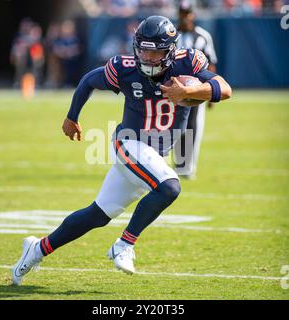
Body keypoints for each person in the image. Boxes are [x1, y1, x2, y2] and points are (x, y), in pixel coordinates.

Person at [12, 16, 231, 285]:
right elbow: (88, 81)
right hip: (129, 144)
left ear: (171, 51)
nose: (149, 58)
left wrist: (196, 89)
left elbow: (225, 88)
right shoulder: (124, 68)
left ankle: (36, 249)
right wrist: (72, 117)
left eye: (156, 52)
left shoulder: (189, 64)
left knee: (98, 214)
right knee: (170, 186)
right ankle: (125, 244)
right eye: (144, 50)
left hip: (152, 155)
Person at [174, 1, 218, 179]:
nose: (185, 17)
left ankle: (188, 166)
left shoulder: (203, 36)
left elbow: (211, 63)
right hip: (175, 89)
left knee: (193, 127)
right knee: (176, 127)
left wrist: (211, 92)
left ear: (193, 15)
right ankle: (178, 164)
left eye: (188, 13)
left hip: (197, 90)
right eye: (182, 13)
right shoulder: (171, 35)